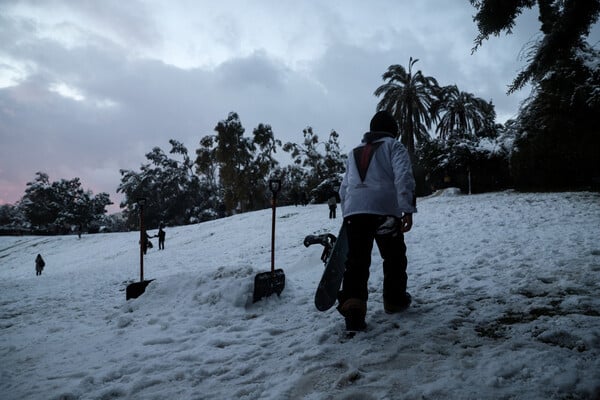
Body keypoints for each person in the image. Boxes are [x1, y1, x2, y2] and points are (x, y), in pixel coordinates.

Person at [337, 110, 417, 331]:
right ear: (394, 130)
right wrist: (407, 208)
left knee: (356, 262)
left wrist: (348, 213)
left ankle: (354, 313)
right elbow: (403, 176)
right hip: (384, 211)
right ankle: (394, 300)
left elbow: (344, 187)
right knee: (393, 257)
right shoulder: (394, 146)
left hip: (355, 212)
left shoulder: (354, 152)